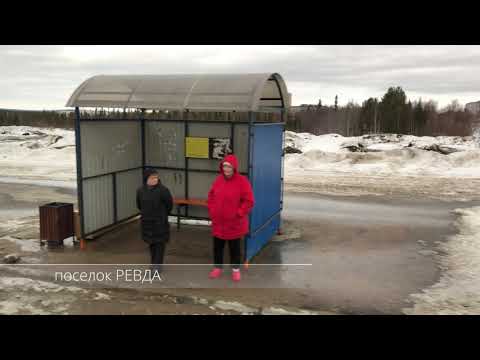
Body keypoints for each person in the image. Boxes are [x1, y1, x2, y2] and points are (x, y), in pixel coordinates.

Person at [207, 154, 254, 282]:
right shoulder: (218, 180)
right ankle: (217, 268)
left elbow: (249, 201)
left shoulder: (242, 181)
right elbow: (211, 196)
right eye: (224, 166)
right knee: (217, 247)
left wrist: (239, 213)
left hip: (234, 223)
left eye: (229, 167)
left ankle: (235, 270)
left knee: (235, 249)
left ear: (234, 168)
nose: (226, 169)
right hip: (218, 222)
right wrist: (212, 210)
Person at [136, 168, 173, 274]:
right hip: (147, 222)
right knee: (151, 243)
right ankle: (153, 263)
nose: (155, 179)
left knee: (160, 244)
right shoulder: (140, 191)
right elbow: (139, 205)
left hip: (160, 222)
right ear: (146, 178)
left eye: (156, 177)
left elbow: (169, 205)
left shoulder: (163, 190)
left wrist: (162, 215)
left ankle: (157, 265)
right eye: (152, 177)